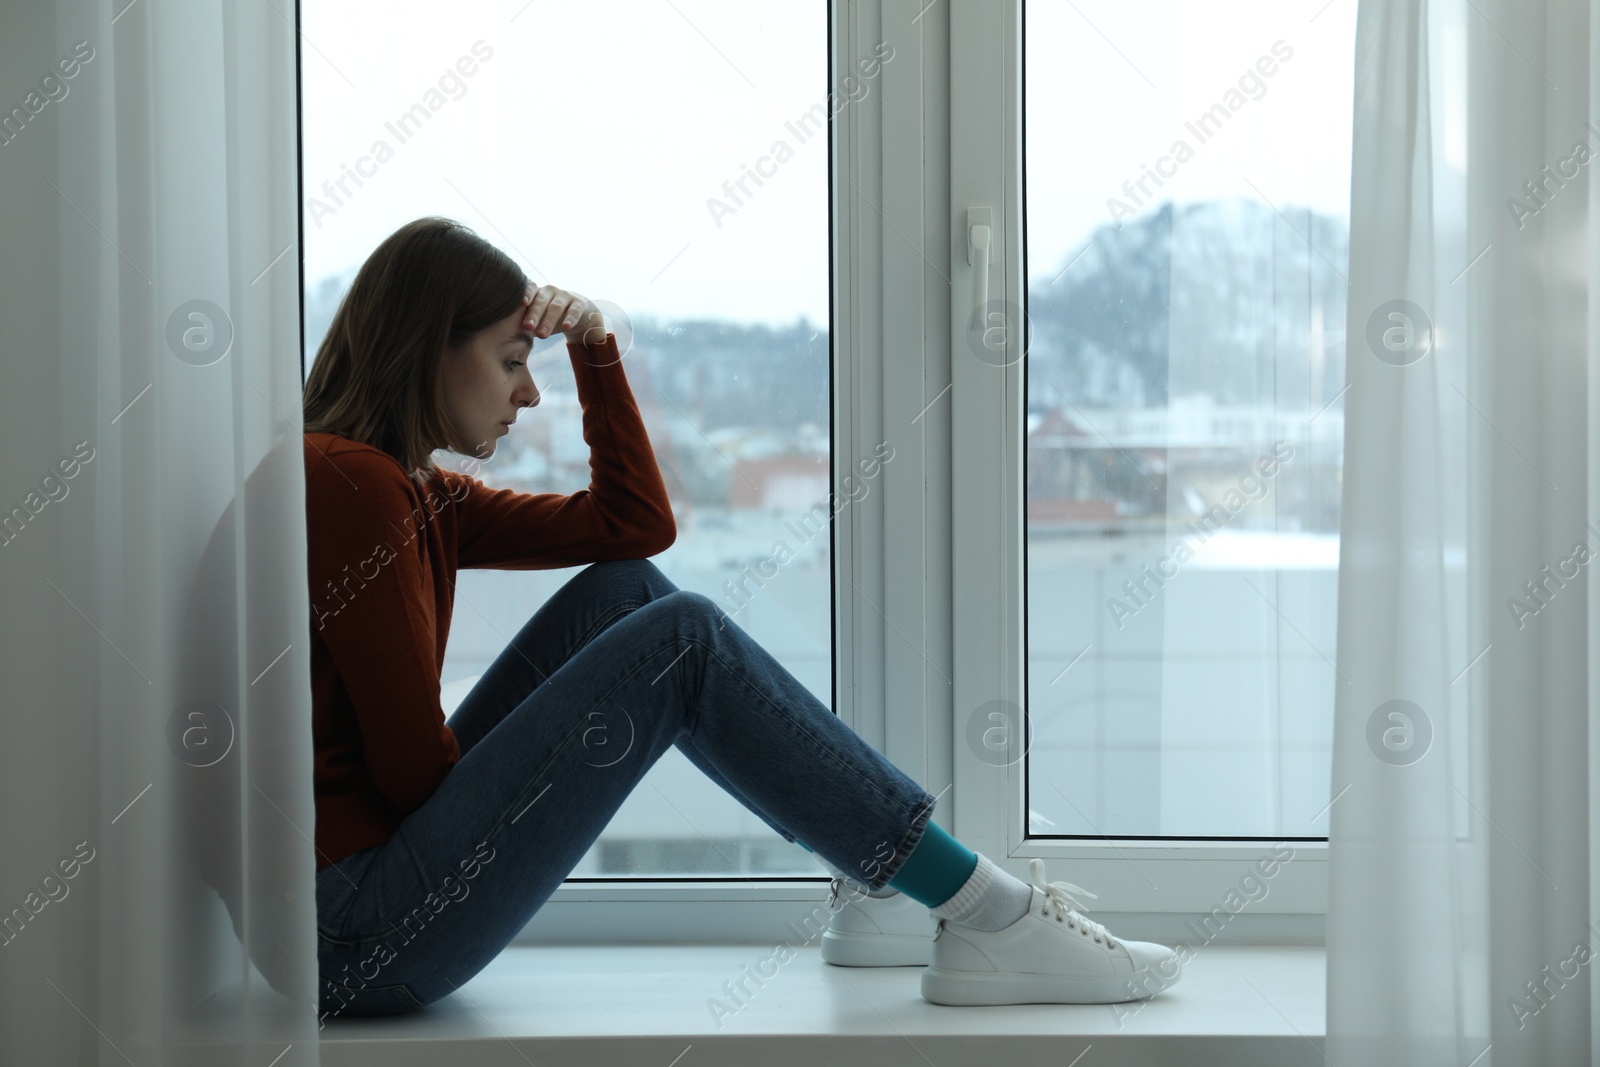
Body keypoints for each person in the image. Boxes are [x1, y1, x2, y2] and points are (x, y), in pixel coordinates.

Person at [302, 216, 1181, 1021]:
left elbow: (632, 526)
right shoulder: (351, 484)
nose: (529, 394)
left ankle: (877, 875)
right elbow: (415, 776)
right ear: (427, 350)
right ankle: (993, 913)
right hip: (360, 932)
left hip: (365, 902)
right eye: (510, 359)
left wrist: (597, 348)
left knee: (627, 591)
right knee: (680, 637)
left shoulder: (410, 490)